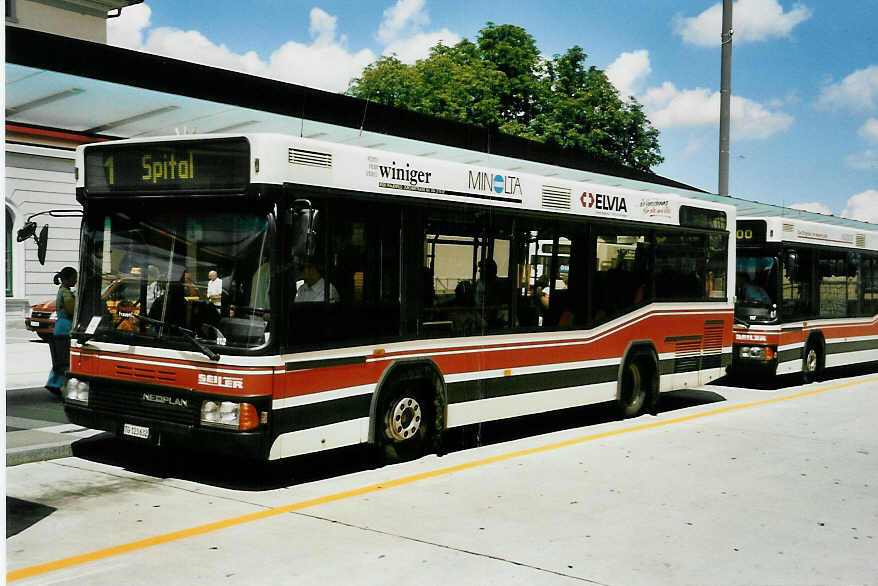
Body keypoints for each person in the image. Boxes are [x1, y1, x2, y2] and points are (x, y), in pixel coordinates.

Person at [46, 266, 76, 396]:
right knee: (65, 360)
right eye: (75, 278)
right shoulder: (66, 293)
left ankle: (53, 383)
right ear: (68, 279)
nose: (76, 281)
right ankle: (57, 384)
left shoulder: (61, 290)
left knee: (59, 358)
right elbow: (71, 310)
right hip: (65, 328)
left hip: (59, 328)